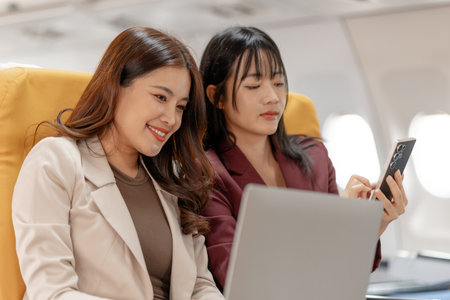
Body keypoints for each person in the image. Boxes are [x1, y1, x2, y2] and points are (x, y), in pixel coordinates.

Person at [12, 27, 224, 300]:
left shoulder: (171, 182)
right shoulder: (55, 161)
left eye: (180, 106)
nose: (171, 119)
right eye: (161, 97)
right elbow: (52, 292)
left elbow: (199, 286)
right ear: (115, 87)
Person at [199, 26, 408, 290]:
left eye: (278, 83)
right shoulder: (208, 173)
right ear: (216, 97)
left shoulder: (315, 156)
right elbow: (237, 276)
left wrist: (372, 225)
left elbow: (343, 270)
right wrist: (336, 225)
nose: (273, 97)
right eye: (254, 85)